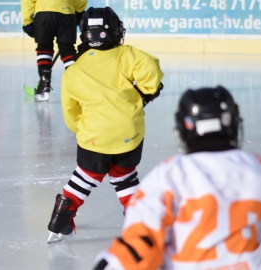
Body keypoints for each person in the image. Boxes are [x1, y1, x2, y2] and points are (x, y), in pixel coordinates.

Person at [92, 86, 261, 270]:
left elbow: (140, 246)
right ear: (233, 126)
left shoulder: (167, 176)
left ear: (184, 131)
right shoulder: (259, 170)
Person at [46, 7, 164, 244]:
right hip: (128, 136)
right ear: (116, 32)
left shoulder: (74, 71)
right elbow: (152, 74)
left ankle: (60, 219)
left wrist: (85, 130)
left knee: (84, 177)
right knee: (125, 178)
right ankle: (138, 224)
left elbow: (71, 113)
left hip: (93, 139)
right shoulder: (126, 54)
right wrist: (142, 95)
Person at [21, 0, 87, 102]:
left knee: (44, 47)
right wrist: (78, 11)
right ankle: (77, 85)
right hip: (67, 13)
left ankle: (44, 81)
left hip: (44, 13)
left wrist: (27, 22)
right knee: (67, 50)